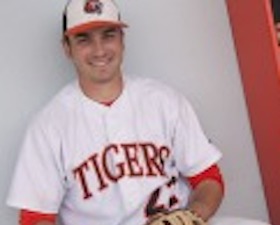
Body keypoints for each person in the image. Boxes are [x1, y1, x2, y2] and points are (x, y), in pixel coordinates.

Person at [7, 0, 224, 224]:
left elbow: (208, 178)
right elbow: (34, 218)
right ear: (67, 47)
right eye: (84, 39)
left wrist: (192, 215)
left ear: (122, 40)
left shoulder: (165, 102)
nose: (99, 50)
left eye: (108, 35)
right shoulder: (48, 127)